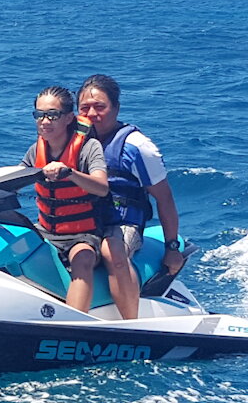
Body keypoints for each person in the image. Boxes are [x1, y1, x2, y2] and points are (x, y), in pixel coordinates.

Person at [77, 74, 185, 320]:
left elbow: (164, 199)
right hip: (81, 220)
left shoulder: (137, 147)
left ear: (116, 108)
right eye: (85, 108)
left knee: (111, 252)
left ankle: (130, 324)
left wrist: (172, 248)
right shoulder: (72, 141)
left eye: (100, 107)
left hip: (122, 223)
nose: (92, 114)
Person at [18, 85, 110, 313]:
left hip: (83, 234)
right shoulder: (35, 151)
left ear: (69, 118)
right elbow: (16, 176)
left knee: (83, 260)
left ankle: (75, 323)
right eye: (39, 115)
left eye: (52, 115)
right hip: (47, 231)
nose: (44, 121)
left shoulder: (89, 148)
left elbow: (102, 187)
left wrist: (70, 172)